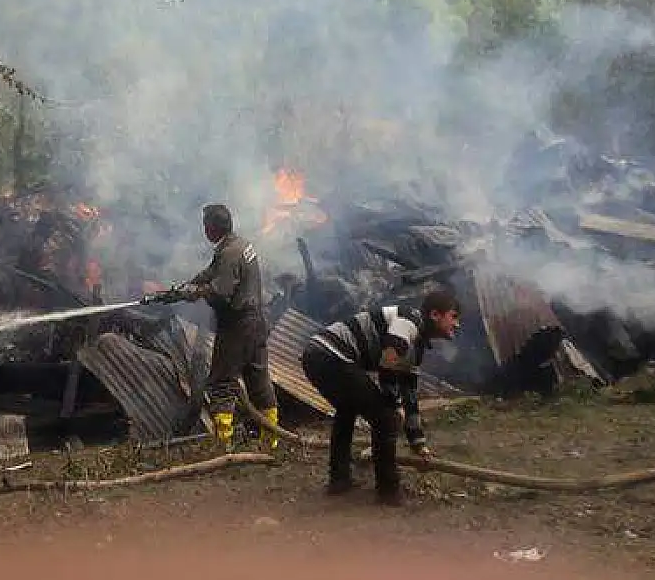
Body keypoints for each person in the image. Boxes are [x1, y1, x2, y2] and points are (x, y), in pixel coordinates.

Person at [299, 289, 463, 506]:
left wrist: (418, 443)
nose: (457, 324)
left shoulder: (416, 347)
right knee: (386, 419)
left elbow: (410, 397)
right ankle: (388, 491)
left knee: (347, 410)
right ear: (435, 314)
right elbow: (389, 358)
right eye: (454, 316)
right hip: (330, 355)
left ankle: (339, 480)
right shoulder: (409, 321)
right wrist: (393, 405)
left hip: (317, 354)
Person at [175, 203, 279, 450]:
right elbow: (213, 271)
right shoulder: (239, 245)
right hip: (256, 323)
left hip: (237, 326)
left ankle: (223, 446)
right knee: (259, 382)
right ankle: (271, 440)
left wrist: (196, 294)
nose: (204, 229)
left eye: (205, 225)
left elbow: (221, 292)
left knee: (222, 383)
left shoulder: (229, 253)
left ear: (212, 228)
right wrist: (187, 285)